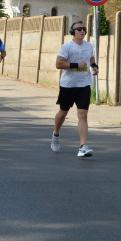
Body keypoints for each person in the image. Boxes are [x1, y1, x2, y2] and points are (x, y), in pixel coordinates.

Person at [52, 21, 98, 157]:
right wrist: (75, 64)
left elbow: (91, 58)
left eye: (84, 29)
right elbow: (58, 64)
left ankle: (82, 146)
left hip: (84, 84)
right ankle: (56, 134)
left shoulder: (89, 46)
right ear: (73, 31)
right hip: (68, 85)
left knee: (83, 115)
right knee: (63, 113)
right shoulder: (67, 46)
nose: (82, 31)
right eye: (79, 29)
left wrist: (94, 66)